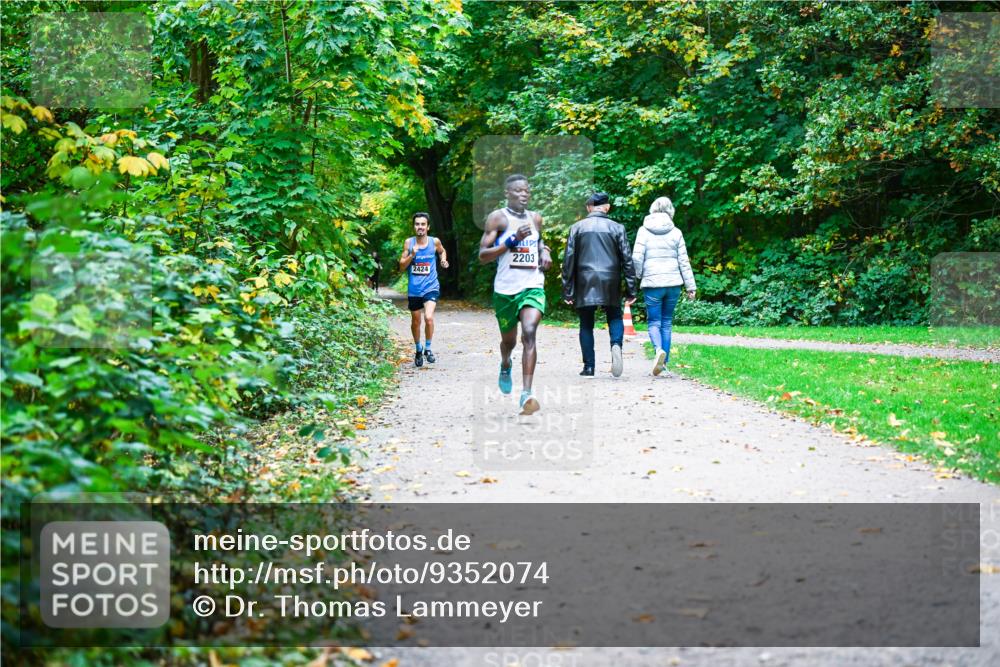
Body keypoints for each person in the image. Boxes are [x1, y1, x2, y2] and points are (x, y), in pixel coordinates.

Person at [478, 174, 552, 414]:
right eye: (518, 191)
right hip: (506, 290)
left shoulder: (536, 218)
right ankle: (505, 362)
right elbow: (483, 255)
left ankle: (526, 394)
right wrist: (511, 240)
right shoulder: (498, 218)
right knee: (509, 341)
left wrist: (545, 251)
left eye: (527, 191)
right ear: (507, 193)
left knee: (529, 333)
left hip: (532, 285)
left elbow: (539, 242)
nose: (524, 194)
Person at [562, 192, 637, 378]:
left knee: (586, 324)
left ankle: (589, 367)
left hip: (585, 280)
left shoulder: (576, 228)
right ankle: (616, 346)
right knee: (615, 316)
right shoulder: (617, 228)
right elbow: (627, 260)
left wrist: (568, 290)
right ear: (607, 207)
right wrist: (631, 289)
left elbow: (568, 260)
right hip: (610, 279)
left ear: (588, 207)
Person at [631, 196, 696, 376]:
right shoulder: (676, 232)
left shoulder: (643, 231)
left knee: (654, 321)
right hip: (673, 284)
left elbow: (637, 258)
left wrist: (638, 276)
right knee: (666, 323)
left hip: (653, 284)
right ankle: (664, 365)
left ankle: (658, 349)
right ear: (670, 210)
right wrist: (691, 286)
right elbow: (684, 262)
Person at [399, 212, 448, 367]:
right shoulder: (409, 243)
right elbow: (401, 266)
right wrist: (412, 255)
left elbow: (442, 251)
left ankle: (428, 348)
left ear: (428, 227)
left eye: (422, 224)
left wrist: (443, 259)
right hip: (414, 289)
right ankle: (418, 349)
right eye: (417, 224)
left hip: (430, 287)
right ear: (414, 227)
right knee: (416, 321)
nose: (420, 227)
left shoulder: (434, 242)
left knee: (428, 317)